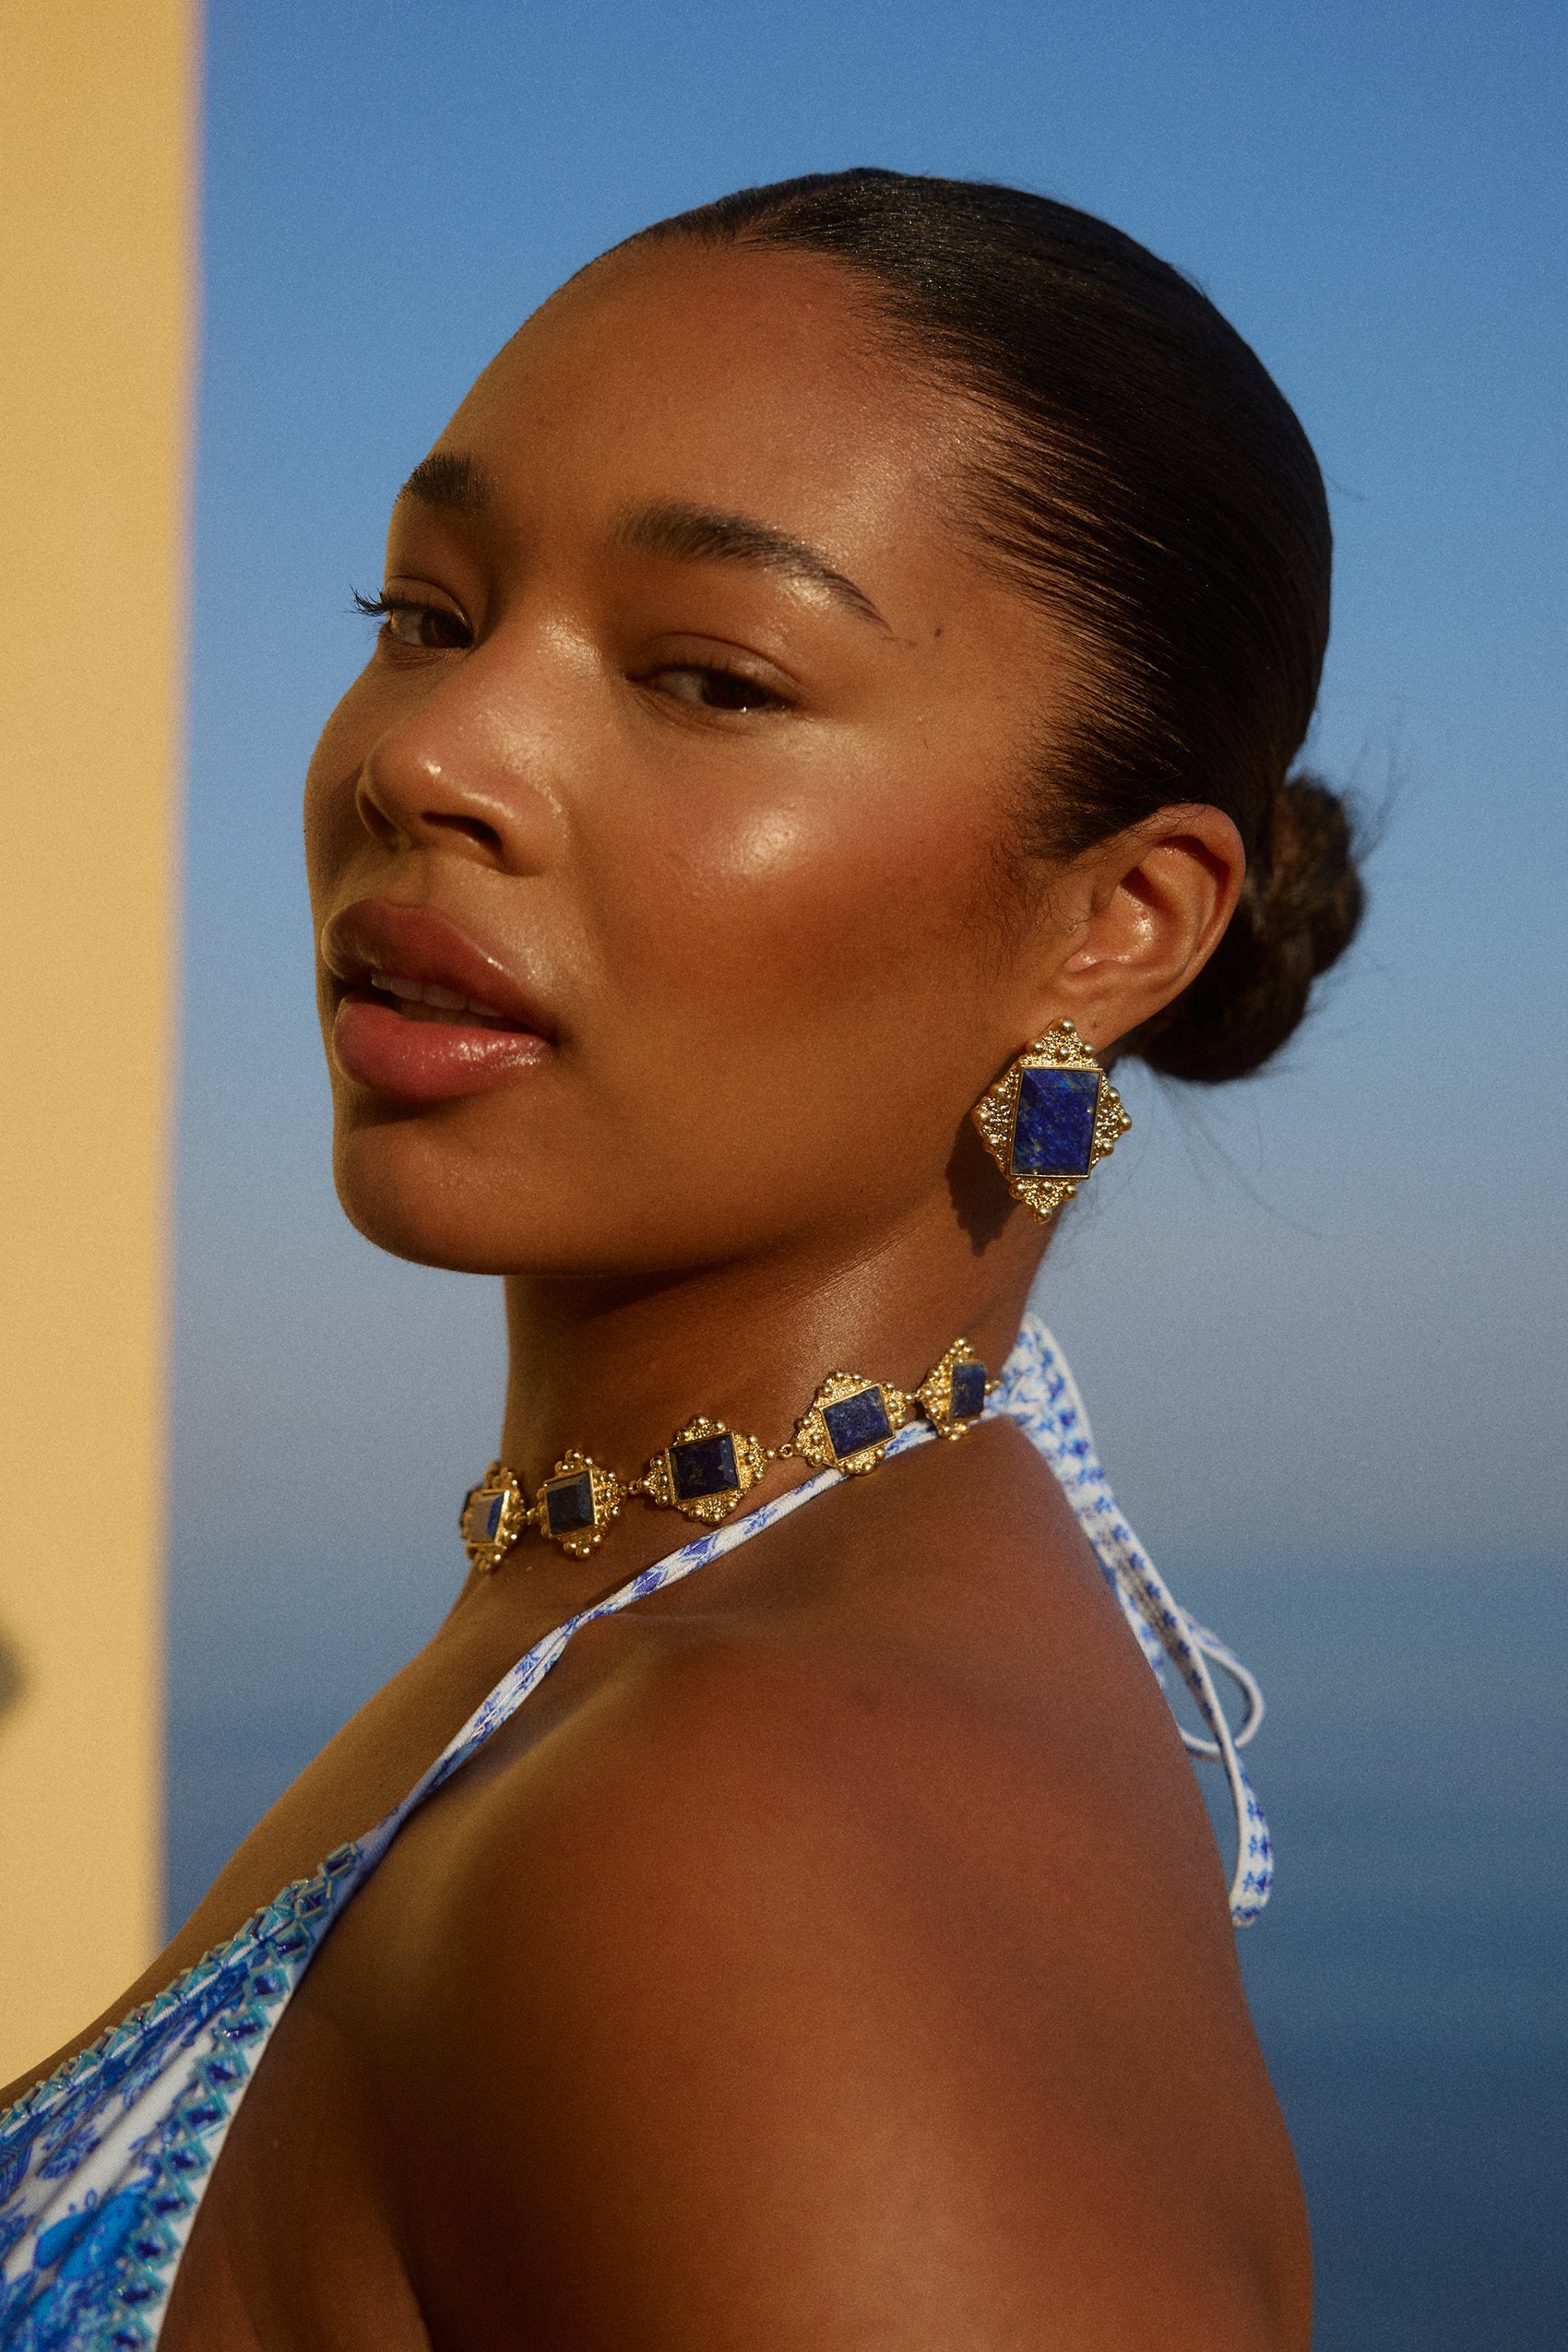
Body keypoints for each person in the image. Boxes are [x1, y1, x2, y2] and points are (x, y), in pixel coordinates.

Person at [0, 169, 1361, 2348]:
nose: (427, 756)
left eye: (710, 679)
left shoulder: (755, 1834)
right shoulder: (673, 1618)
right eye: (423, 615)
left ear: (1118, 925)